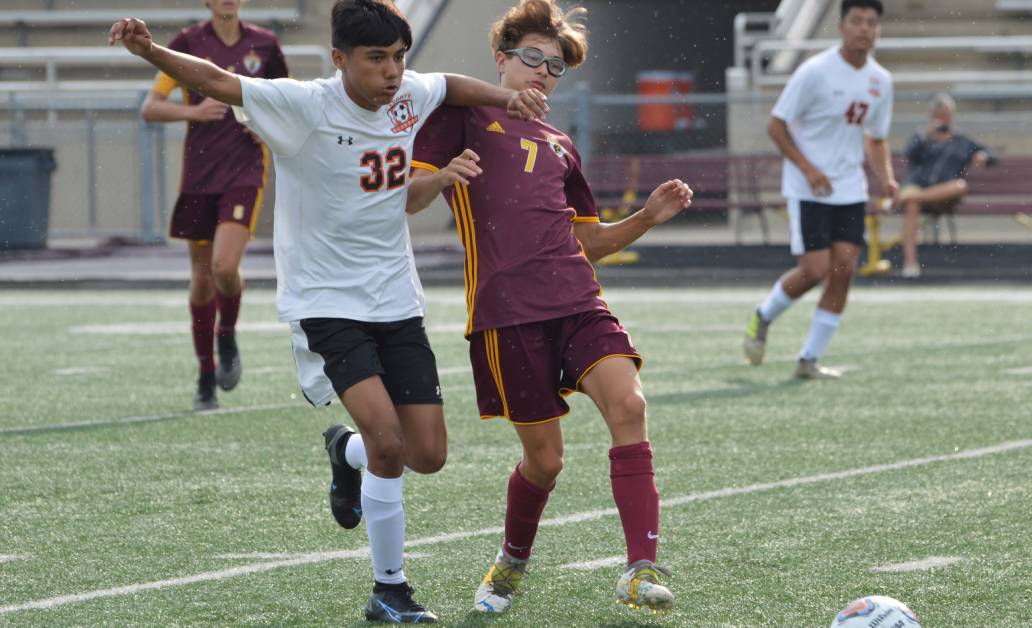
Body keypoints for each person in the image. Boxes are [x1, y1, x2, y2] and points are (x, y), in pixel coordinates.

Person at [109, 0, 549, 623]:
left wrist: (507, 98)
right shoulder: (304, 106)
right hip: (326, 301)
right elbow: (216, 81)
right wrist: (150, 51)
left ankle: (346, 452)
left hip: (396, 299)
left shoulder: (408, 93)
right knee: (389, 442)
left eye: (399, 58)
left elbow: (449, 84)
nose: (392, 72)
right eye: (376, 59)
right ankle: (389, 590)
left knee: (427, 453)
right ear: (339, 59)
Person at [406, 0, 693, 614]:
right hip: (507, 314)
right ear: (501, 59)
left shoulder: (562, 144)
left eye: (555, 65)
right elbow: (407, 197)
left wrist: (646, 217)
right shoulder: (462, 116)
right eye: (532, 57)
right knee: (545, 461)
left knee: (629, 404)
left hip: (578, 301)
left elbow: (589, 242)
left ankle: (640, 569)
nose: (543, 71)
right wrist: (443, 177)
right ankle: (511, 561)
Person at [141, 0, 289, 411]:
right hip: (199, 176)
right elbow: (150, 107)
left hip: (244, 173)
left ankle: (227, 334)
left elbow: (288, 103)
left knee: (224, 267)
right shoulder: (188, 42)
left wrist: (268, 128)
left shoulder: (266, 44)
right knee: (203, 277)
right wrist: (194, 110)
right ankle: (205, 376)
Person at [742, 0, 896, 379]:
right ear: (842, 27)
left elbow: (877, 138)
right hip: (808, 188)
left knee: (843, 272)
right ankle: (763, 315)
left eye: (871, 22)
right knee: (814, 270)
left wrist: (887, 178)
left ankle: (809, 359)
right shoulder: (814, 72)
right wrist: (808, 169)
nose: (864, 28)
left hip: (850, 189)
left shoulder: (881, 81)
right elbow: (777, 126)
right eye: (857, 21)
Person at [897, 93, 994, 278]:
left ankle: (903, 198)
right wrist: (926, 136)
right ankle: (910, 262)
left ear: (952, 116)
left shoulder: (962, 141)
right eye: (938, 115)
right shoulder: (921, 136)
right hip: (919, 188)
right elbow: (909, 154)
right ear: (931, 116)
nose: (942, 119)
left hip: (945, 195)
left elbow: (991, 153)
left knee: (960, 185)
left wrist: (983, 156)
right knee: (912, 204)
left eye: (945, 114)